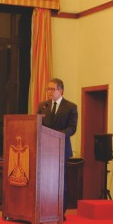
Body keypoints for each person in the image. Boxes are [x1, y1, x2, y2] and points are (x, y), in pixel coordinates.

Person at [38, 78, 78, 214]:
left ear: (61, 91)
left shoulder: (70, 107)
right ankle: (45, 209)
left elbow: (72, 128)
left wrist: (55, 136)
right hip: (45, 150)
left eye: (52, 89)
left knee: (60, 181)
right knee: (45, 180)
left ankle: (60, 211)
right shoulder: (43, 106)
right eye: (48, 89)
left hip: (61, 149)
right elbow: (37, 125)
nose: (49, 92)